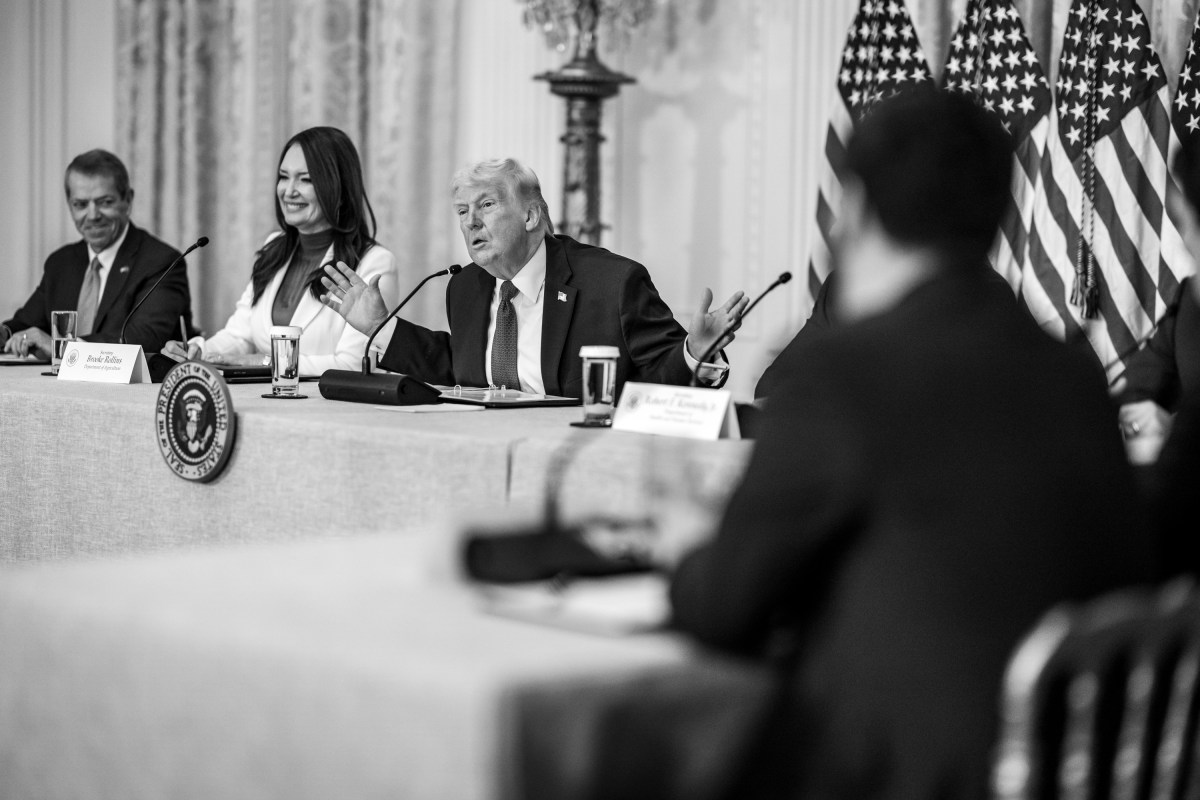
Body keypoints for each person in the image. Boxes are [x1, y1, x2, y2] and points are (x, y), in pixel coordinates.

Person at [662, 91, 1155, 800]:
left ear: (857, 210)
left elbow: (722, 606)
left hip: (899, 774)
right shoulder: (1072, 375)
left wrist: (682, 547)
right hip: (1069, 771)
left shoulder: (840, 371)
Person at [318, 158, 748, 397]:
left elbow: (658, 375)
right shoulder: (465, 286)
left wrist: (695, 352)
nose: (470, 222)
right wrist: (381, 328)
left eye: (486, 205)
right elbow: (458, 366)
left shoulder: (613, 283)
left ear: (530, 216)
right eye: (462, 212)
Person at [162, 127, 398, 376]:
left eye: (305, 180)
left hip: (324, 401)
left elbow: (355, 364)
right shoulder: (274, 247)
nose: (289, 190)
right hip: (261, 397)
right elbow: (240, 336)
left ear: (340, 189)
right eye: (284, 177)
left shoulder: (375, 262)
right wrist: (198, 351)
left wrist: (265, 362)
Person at [1, 149, 192, 358]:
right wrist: (5, 334)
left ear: (128, 201)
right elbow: (26, 324)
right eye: (81, 205)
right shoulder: (61, 263)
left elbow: (145, 338)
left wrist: (62, 347)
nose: (92, 215)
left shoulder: (161, 261)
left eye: (105, 202)